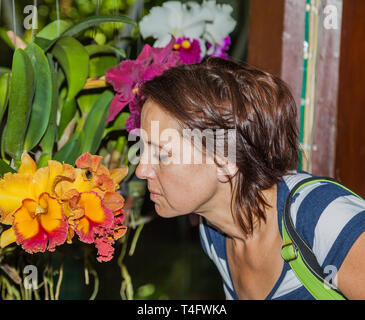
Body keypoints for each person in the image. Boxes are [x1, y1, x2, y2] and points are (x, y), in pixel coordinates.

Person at [134, 57, 365, 300]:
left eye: (161, 154)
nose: (141, 170)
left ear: (226, 161)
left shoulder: (323, 217)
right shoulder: (214, 236)